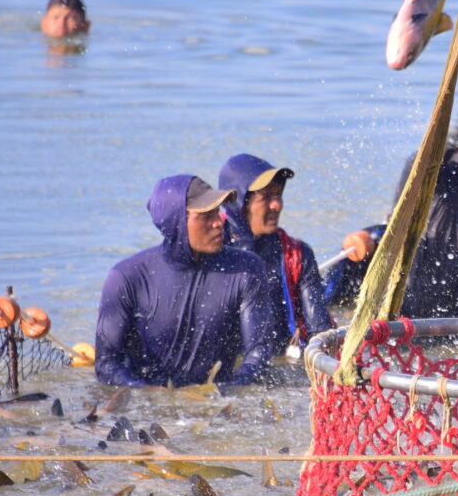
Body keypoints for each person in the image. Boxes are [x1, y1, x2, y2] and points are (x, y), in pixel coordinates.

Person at [327, 102, 458, 318]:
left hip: (452, 330)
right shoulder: (434, 177)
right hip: (390, 319)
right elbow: (419, 165)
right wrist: (444, 142)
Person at [95, 175, 275, 387]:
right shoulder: (127, 277)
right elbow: (106, 365)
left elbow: (259, 352)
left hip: (217, 402)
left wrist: (227, 391)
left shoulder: (247, 270)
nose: (219, 222)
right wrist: (154, 397)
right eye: (206, 216)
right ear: (177, 222)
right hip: (149, 410)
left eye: (217, 211)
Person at [218, 153, 334, 353]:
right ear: (238, 202)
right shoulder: (211, 255)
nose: (277, 205)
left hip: (284, 362)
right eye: (265, 197)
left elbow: (320, 333)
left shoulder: (297, 254)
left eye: (278, 194)